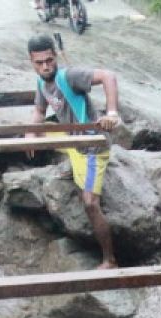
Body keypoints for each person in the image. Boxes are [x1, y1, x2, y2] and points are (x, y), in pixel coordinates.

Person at [26, 35, 121, 268]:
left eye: (49, 60)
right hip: (72, 140)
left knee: (89, 203)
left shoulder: (68, 76)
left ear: (55, 56)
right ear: (31, 61)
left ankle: (110, 259)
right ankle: (71, 165)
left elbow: (108, 76)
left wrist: (111, 113)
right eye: (39, 63)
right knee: (39, 130)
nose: (45, 66)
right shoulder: (41, 82)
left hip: (91, 145)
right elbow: (39, 110)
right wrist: (29, 135)